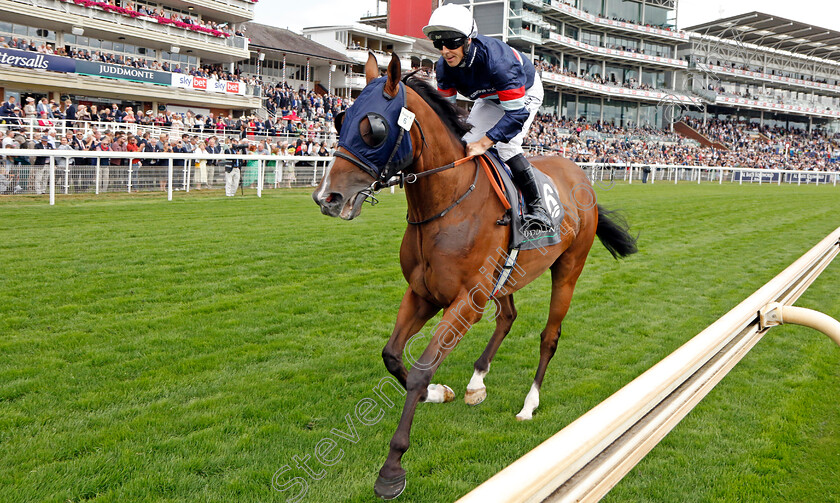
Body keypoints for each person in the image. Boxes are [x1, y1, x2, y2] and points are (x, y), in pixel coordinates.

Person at [423, 3, 553, 232]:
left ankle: (538, 208)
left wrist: (485, 142)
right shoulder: (444, 67)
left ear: (468, 40)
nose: (445, 51)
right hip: (490, 99)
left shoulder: (499, 62)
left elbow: (516, 114)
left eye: (452, 43)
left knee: (506, 147)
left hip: (524, 94)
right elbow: (446, 114)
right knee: (462, 143)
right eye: (438, 43)